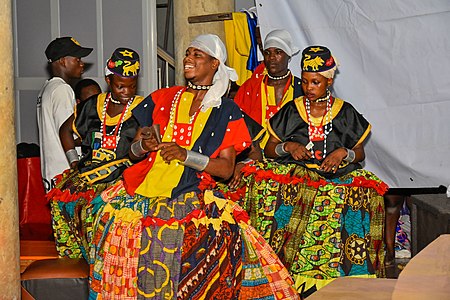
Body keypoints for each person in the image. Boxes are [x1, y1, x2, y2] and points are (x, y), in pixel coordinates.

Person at [87, 34, 299, 299]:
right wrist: (145, 146)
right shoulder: (162, 98)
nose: (188, 59)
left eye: (197, 55)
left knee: (195, 250)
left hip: (192, 192)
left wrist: (185, 155)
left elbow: (226, 169)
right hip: (142, 188)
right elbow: (132, 152)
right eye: (188, 53)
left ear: (215, 64)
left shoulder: (226, 110)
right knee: (113, 234)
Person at [231, 46, 388, 298]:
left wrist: (342, 154)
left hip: (337, 177)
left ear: (329, 80)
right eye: (304, 81)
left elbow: (360, 153)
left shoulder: (344, 111)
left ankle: (347, 279)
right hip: (299, 174)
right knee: (270, 188)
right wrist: (289, 146)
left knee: (356, 198)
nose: (308, 87)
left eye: (315, 82)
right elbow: (269, 149)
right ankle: (279, 274)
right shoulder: (293, 109)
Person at [48, 47, 143, 258]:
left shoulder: (142, 108)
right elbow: (65, 130)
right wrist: (73, 161)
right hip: (88, 172)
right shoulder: (93, 105)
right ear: (108, 81)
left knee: (100, 210)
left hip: (121, 177)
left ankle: (103, 262)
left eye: (132, 86)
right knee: (60, 202)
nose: (126, 92)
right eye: (120, 87)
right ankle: (74, 261)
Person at [37, 36, 93, 192]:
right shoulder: (63, 90)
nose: (82, 64)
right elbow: (70, 135)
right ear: (62, 61)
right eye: (77, 59)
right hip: (65, 171)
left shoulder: (47, 88)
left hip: (51, 171)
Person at [233, 29, 303, 146]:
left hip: (290, 156)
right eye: (267, 53)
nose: (271, 57)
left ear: (288, 55)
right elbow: (236, 122)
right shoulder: (250, 87)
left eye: (278, 52)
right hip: (254, 154)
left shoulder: (301, 88)